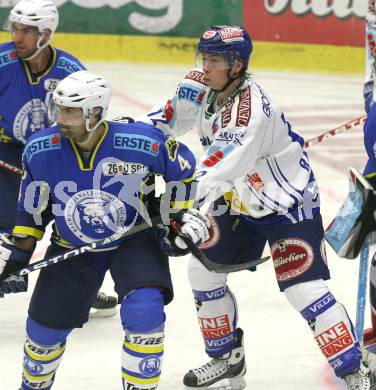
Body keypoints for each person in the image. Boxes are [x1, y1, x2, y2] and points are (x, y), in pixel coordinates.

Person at [138, 25, 371, 389]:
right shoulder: (198, 85)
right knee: (203, 274)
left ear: (237, 65)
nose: (206, 65)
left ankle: (355, 371)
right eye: (205, 57)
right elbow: (163, 122)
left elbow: (215, 168)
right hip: (236, 200)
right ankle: (226, 357)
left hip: (286, 205)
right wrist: (126, 143)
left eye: (215, 60)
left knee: (304, 291)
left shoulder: (249, 113)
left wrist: (180, 211)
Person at [0, 70, 209, 390]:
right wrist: (17, 260)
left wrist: (173, 217)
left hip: (134, 239)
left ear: (95, 112)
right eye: (59, 108)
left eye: (70, 111)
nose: (60, 118)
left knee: (145, 313)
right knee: (43, 333)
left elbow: (183, 167)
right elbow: (33, 212)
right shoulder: (40, 150)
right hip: (71, 243)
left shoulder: (139, 141)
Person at [0, 0, 116, 315]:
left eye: (26, 31)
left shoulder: (71, 72)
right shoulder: (2, 62)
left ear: (46, 34)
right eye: (15, 28)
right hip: (6, 150)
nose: (17, 37)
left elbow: (91, 123)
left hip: (55, 153)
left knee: (72, 222)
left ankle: (80, 286)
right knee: (10, 225)